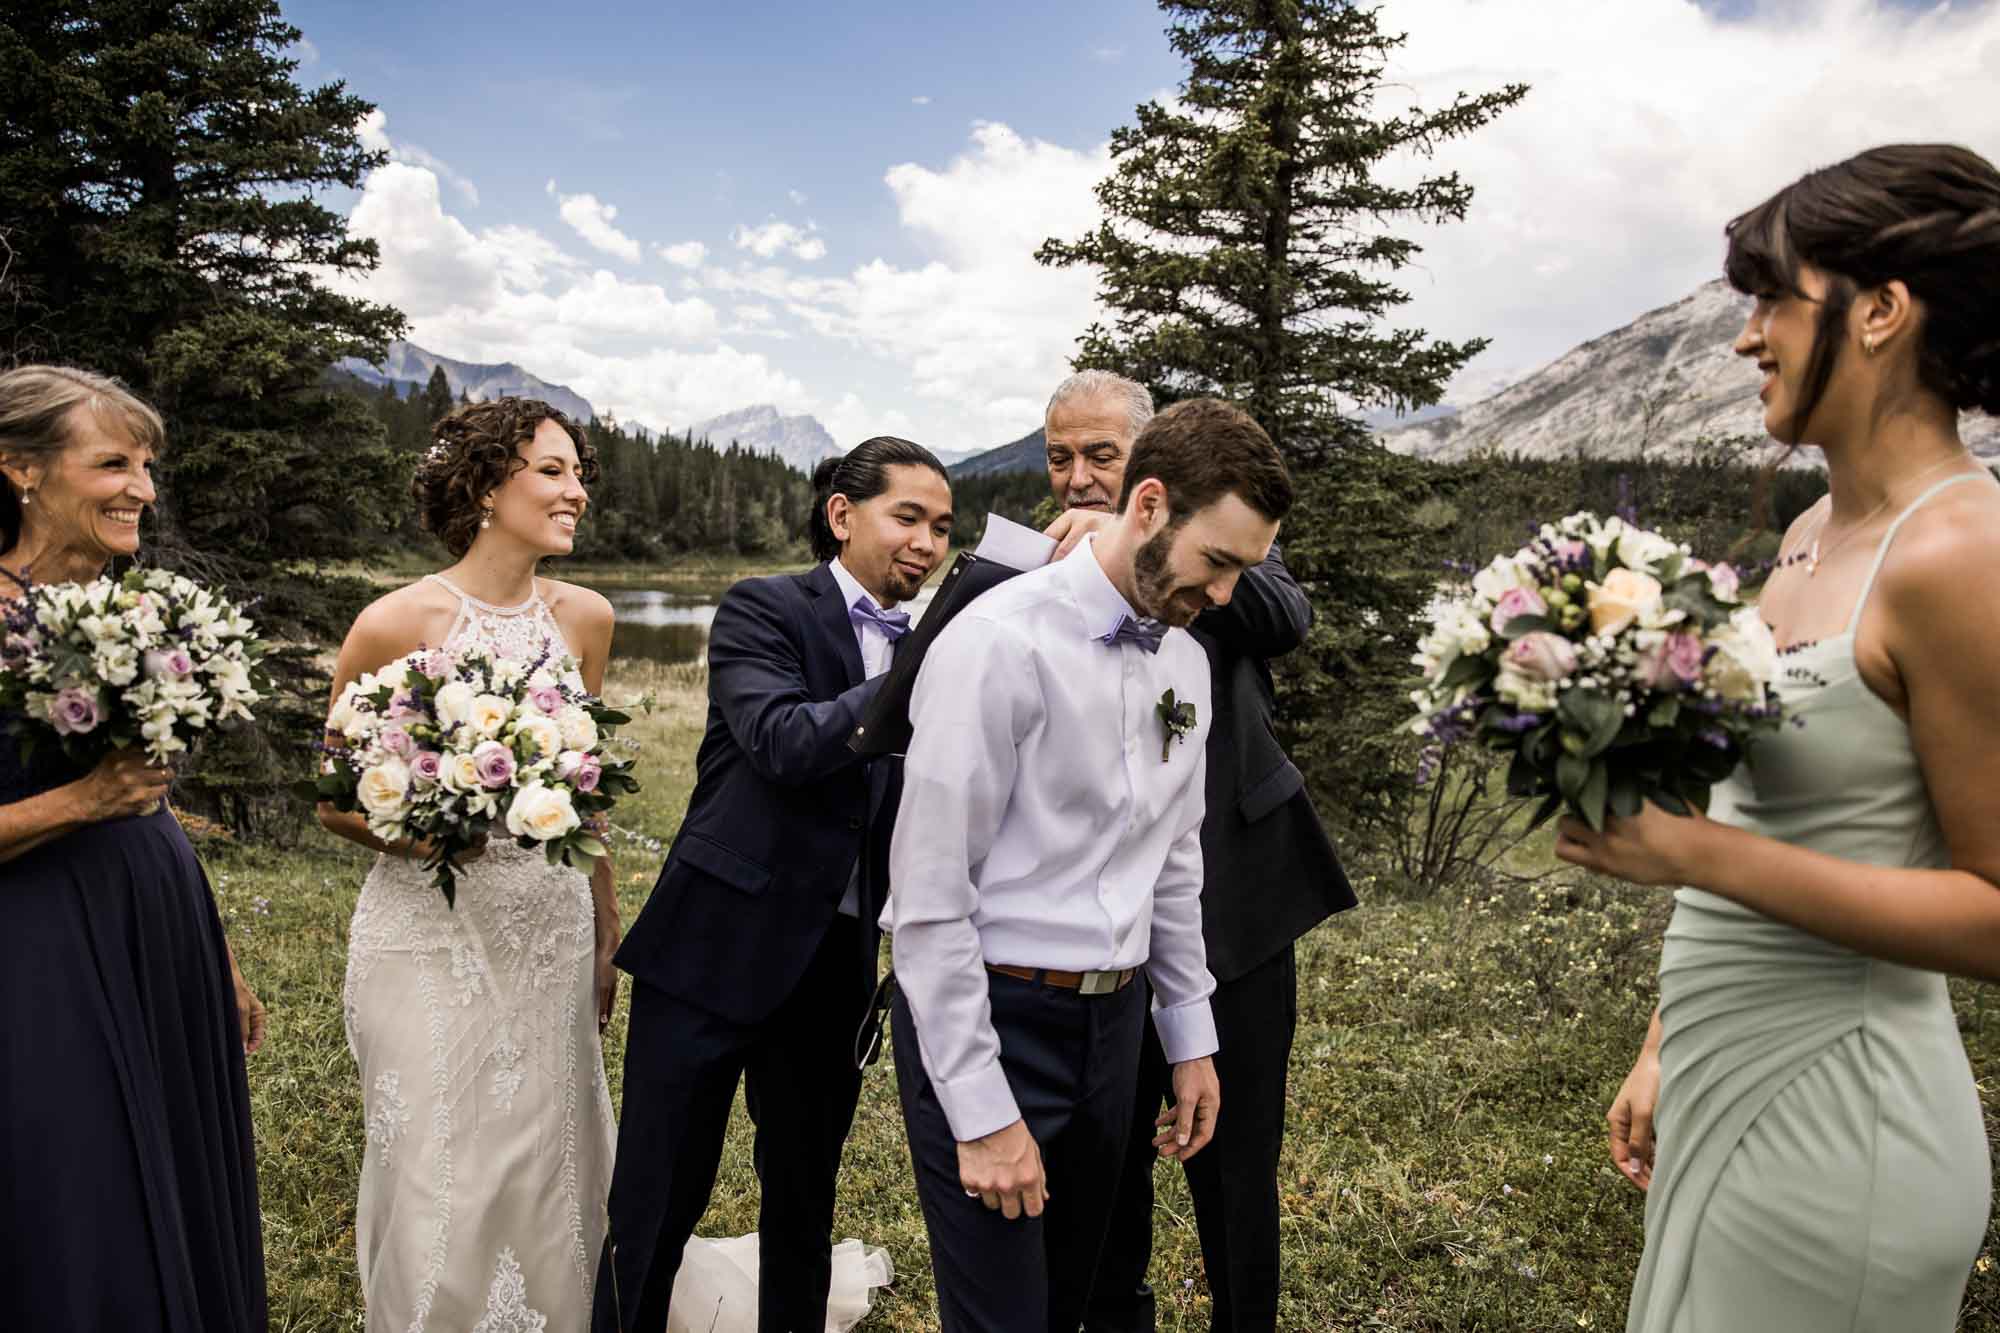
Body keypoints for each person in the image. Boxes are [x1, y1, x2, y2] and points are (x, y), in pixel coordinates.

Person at [1559, 143, 2000, 1333]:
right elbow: (1760, 809)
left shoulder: (1959, 551)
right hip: (1722, 1073)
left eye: (1772, 300)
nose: (1747, 337)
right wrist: (1665, 1040)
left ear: (1880, 312)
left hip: (1839, 1119)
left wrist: (1692, 857)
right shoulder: (1810, 528)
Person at [887, 397, 1293, 1333]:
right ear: (1147, 507)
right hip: (995, 1014)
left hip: (1114, 1030)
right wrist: (983, 1109)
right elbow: (931, 902)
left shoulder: (1185, 663)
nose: (1227, 594)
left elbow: (1177, 859)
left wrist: (1188, 1035)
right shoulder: (997, 643)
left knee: (1073, 1303)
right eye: (1218, 563)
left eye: (1244, 571)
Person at [596, 437, 952, 1333]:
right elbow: (784, 743)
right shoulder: (763, 608)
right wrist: (918, 673)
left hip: (836, 961)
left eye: (943, 528)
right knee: (656, 1200)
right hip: (713, 945)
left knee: (803, 1198)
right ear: (842, 515)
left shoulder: (945, 650)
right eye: (906, 516)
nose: (926, 541)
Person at [1038, 371, 1356, 1333]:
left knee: (1237, 1156)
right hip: (1106, 922)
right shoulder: (1037, 562)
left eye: (1103, 456)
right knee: (1104, 1157)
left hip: (1241, 901)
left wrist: (1163, 547)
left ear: (1150, 470)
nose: (1079, 479)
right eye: (1061, 458)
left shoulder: (1228, 552)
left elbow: (1282, 619)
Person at [320, 397, 621, 1330]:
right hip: (427, 934)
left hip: (548, 927)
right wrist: (435, 827)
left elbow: (587, 793)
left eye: (579, 474)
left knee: (548, 1156)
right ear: (488, 486)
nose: (576, 491)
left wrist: (608, 926)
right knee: (434, 1161)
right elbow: (333, 798)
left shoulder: (590, 618)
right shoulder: (395, 621)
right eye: (554, 470)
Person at [0, 365, 267, 1331]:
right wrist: (80, 799)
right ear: (19, 469)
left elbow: (147, 802)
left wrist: (220, 954)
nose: (142, 490)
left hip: (159, 930)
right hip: (37, 950)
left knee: (176, 1185)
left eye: (148, 466)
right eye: (113, 462)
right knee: (81, 1192)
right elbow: (102, 795)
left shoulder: (132, 607)